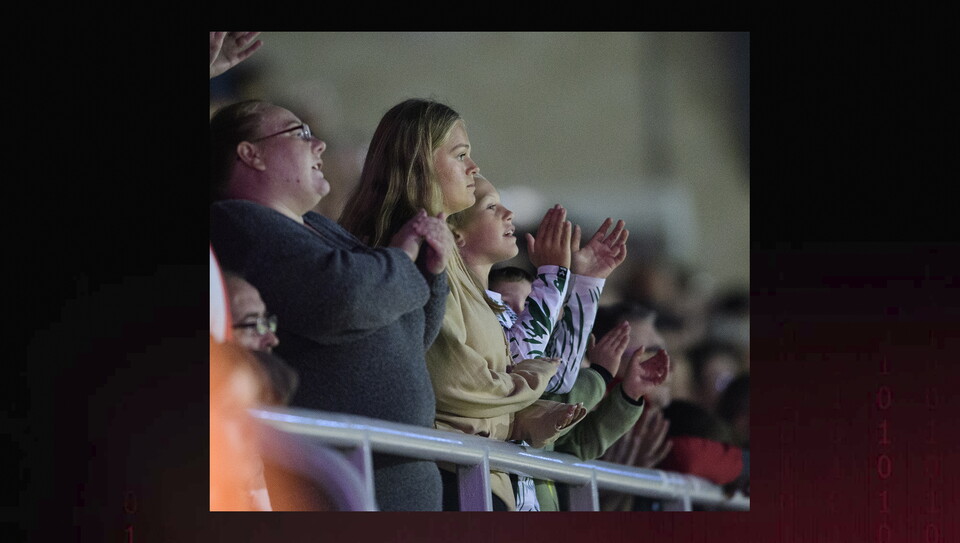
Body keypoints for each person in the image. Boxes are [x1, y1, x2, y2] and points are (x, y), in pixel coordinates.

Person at [209, 98, 455, 511]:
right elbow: (343, 299)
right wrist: (401, 255)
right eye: (300, 133)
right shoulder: (236, 222)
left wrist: (433, 269)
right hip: (341, 481)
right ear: (251, 154)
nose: (319, 144)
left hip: (392, 474)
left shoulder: (317, 226)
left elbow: (408, 335)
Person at [339, 98, 581, 511]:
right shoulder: (415, 251)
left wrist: (529, 417)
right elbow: (455, 384)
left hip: (477, 475)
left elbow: (478, 393)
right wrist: (536, 376)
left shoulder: (450, 260)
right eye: (461, 155)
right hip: (448, 478)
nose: (474, 168)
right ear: (420, 164)